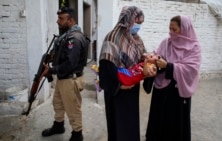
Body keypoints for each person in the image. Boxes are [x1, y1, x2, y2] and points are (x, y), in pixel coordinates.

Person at [99, 6, 156, 141]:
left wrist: (149, 65)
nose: (138, 26)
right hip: (117, 91)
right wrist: (118, 86)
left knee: (130, 123)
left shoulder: (136, 39)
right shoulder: (112, 37)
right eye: (137, 23)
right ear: (128, 20)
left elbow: (143, 57)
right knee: (118, 125)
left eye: (140, 24)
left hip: (132, 89)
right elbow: (106, 65)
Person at [145, 15, 201, 141]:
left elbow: (191, 70)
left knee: (174, 124)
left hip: (177, 93)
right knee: (158, 121)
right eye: (169, 29)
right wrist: (152, 61)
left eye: (174, 29)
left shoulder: (194, 48)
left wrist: (169, 66)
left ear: (184, 29)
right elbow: (157, 54)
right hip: (161, 90)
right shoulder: (166, 42)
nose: (171, 32)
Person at [42, 7, 88, 141]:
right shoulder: (66, 36)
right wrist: (53, 57)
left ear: (71, 20)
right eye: (58, 18)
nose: (58, 21)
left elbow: (70, 64)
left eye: (61, 19)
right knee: (58, 103)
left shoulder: (74, 38)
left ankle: (77, 134)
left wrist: (51, 70)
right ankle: (58, 125)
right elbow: (64, 56)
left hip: (70, 79)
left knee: (73, 108)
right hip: (63, 78)